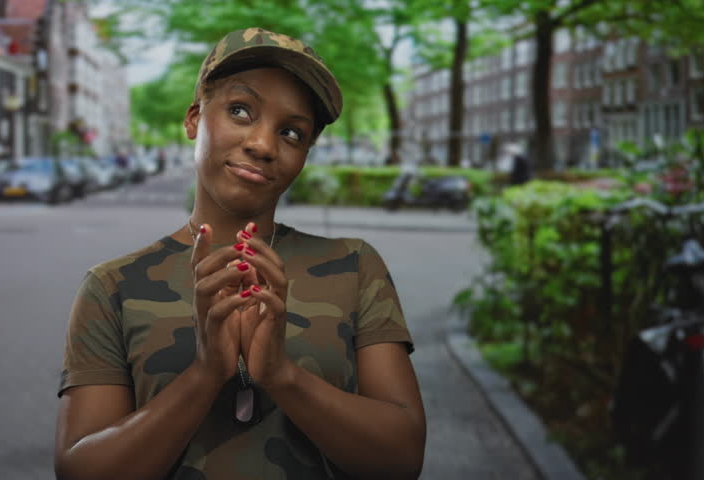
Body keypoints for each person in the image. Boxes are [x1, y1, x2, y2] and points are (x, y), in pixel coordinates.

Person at [54, 28, 426, 480]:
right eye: (240, 111)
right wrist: (206, 373)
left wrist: (282, 376)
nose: (263, 145)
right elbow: (80, 469)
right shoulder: (113, 287)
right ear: (194, 119)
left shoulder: (356, 266)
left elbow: (403, 459)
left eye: (291, 133)